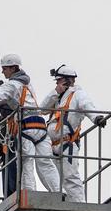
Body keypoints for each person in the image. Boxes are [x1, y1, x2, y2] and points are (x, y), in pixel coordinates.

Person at [0, 54, 60, 195]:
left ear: (13, 68)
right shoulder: (27, 83)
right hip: (40, 126)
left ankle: (29, 194)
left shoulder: (11, 85)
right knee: (46, 163)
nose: (3, 72)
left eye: (5, 69)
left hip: (27, 128)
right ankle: (57, 193)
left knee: (26, 163)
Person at [40, 64, 107, 202]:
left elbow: (87, 105)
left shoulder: (78, 94)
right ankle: (61, 200)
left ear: (66, 80)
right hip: (52, 146)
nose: (57, 83)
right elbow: (42, 109)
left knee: (70, 177)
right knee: (52, 176)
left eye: (58, 80)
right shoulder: (58, 98)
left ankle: (79, 204)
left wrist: (97, 118)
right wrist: (55, 92)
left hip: (67, 144)